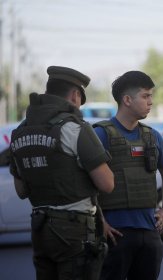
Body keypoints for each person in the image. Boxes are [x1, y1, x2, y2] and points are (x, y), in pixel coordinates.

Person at [9, 66, 115, 280]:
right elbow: (107, 184)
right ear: (76, 95)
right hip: (73, 231)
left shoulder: (19, 132)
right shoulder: (75, 129)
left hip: (40, 229)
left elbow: (21, 191)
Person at [93, 70, 163, 280]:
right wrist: (100, 222)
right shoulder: (100, 135)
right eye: (145, 96)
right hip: (115, 233)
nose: (151, 102)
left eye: (151, 96)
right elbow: (85, 182)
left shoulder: (152, 136)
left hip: (148, 232)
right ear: (127, 100)